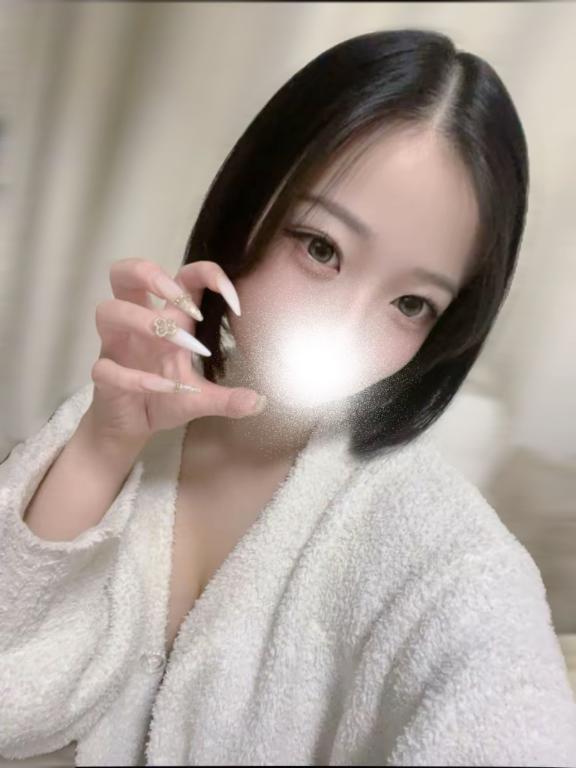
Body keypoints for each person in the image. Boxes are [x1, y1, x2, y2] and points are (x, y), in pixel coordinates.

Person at [1, 27, 576, 768]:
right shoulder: (120, 419)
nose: (346, 327)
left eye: (411, 304)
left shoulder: (449, 559)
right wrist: (100, 446)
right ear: (250, 209)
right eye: (321, 247)